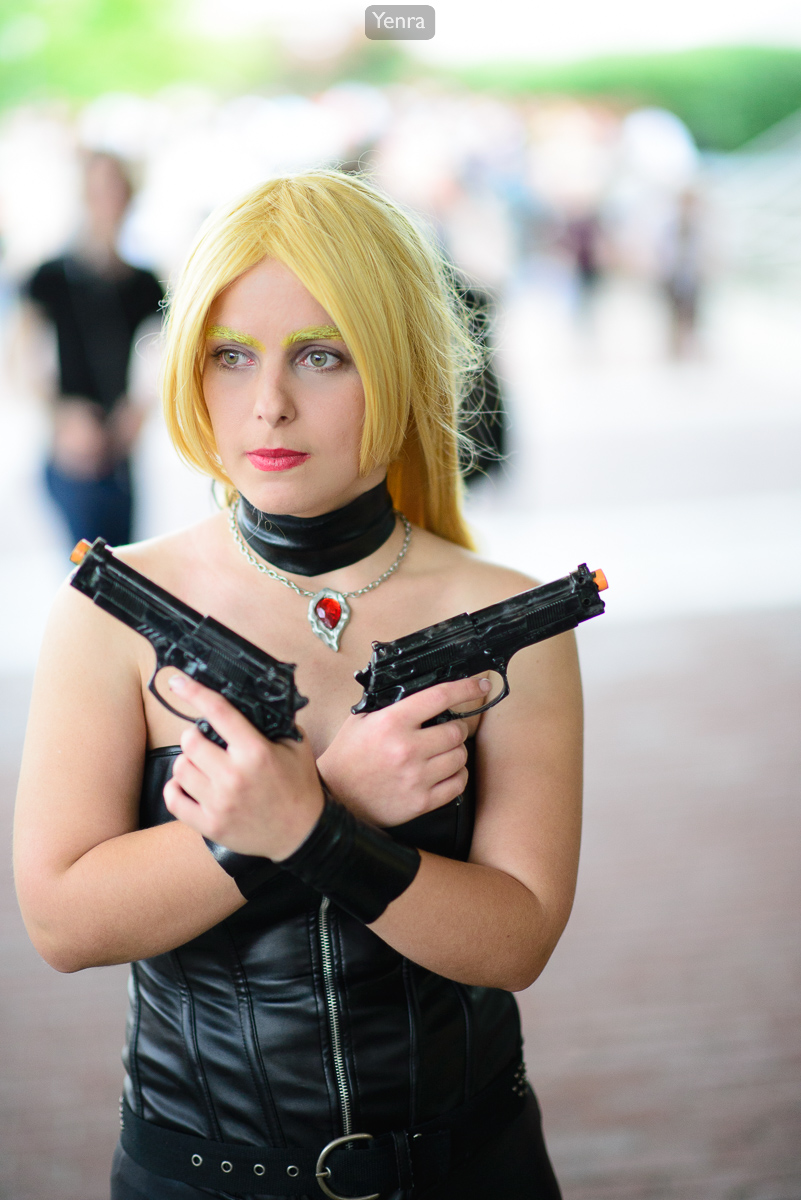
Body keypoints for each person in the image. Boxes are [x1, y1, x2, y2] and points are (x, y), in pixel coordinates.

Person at [14, 171, 582, 1199]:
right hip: (196, 1174)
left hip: (472, 1170)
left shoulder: (515, 619)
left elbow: (516, 938)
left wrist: (309, 827)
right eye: (231, 357)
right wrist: (337, 806)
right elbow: (62, 921)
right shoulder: (114, 606)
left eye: (322, 355)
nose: (268, 402)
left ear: (401, 363)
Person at [19, 151, 163, 547]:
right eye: (99, 191)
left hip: (118, 453)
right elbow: (21, 357)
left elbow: (162, 360)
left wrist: (136, 415)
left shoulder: (145, 284)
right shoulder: (49, 277)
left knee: (123, 566)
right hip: (71, 451)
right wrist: (62, 415)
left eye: (116, 190)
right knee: (88, 575)